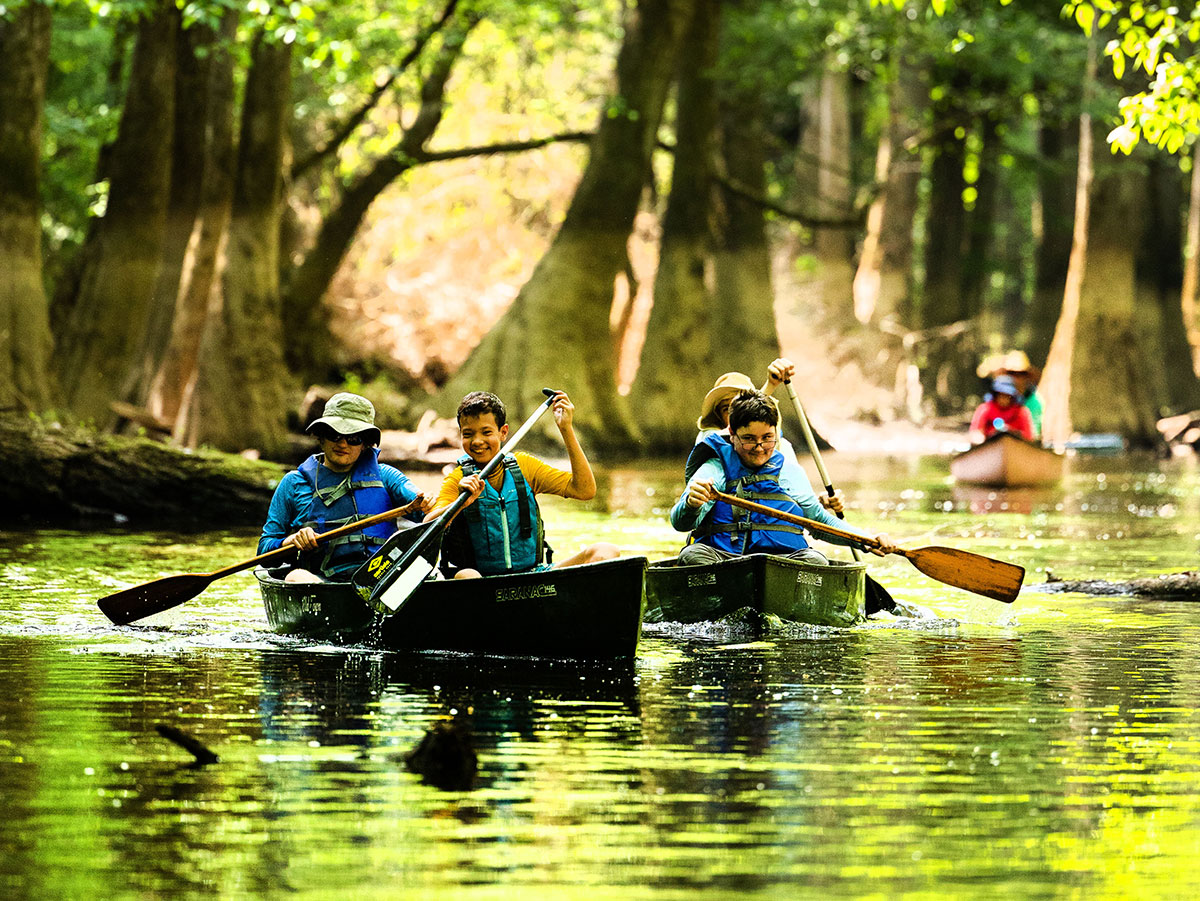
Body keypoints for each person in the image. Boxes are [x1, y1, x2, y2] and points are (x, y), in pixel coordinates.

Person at [670, 389, 896, 566]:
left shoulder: (789, 471)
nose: (759, 449)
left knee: (816, 561)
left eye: (767, 438)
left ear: (776, 434)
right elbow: (680, 522)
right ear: (732, 434)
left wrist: (867, 540)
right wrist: (691, 505)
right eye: (749, 438)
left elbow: (820, 522)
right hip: (724, 560)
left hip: (782, 563)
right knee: (693, 555)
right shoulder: (715, 467)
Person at [426, 390, 619, 579]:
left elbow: (584, 490)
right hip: (481, 583)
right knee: (466, 576)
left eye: (486, 432)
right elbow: (426, 530)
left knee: (605, 551)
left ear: (503, 433)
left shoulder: (525, 467)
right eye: (468, 434)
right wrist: (460, 504)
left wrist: (566, 429)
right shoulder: (457, 479)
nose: (477, 441)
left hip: (531, 577)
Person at [258, 392, 432, 583]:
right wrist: (290, 541)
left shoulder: (386, 476)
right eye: (335, 435)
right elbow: (264, 550)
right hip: (324, 585)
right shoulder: (292, 483)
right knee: (296, 576)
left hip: (383, 581)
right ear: (321, 436)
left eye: (353, 438)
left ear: (365, 444)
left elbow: (429, 513)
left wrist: (430, 504)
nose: (342, 443)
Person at [689, 359, 843, 513]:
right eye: (726, 409)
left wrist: (820, 503)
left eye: (740, 405)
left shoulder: (783, 447)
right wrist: (770, 385)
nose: (734, 413)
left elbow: (794, 501)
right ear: (719, 417)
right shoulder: (707, 440)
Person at [968, 375, 1036, 443]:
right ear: (995, 395)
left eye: (1007, 396)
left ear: (1012, 397)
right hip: (989, 444)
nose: (1003, 399)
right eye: (1000, 395)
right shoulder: (985, 409)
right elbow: (975, 432)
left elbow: (1029, 437)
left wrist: (1011, 432)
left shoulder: (1022, 412)